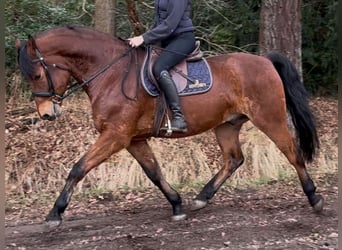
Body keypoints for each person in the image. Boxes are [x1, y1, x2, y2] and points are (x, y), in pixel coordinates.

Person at [128, 0, 196, 132]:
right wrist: (145, 40)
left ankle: (179, 117)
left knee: (159, 68)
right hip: (167, 40)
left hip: (182, 39)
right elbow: (159, 23)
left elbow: (170, 25)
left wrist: (144, 38)